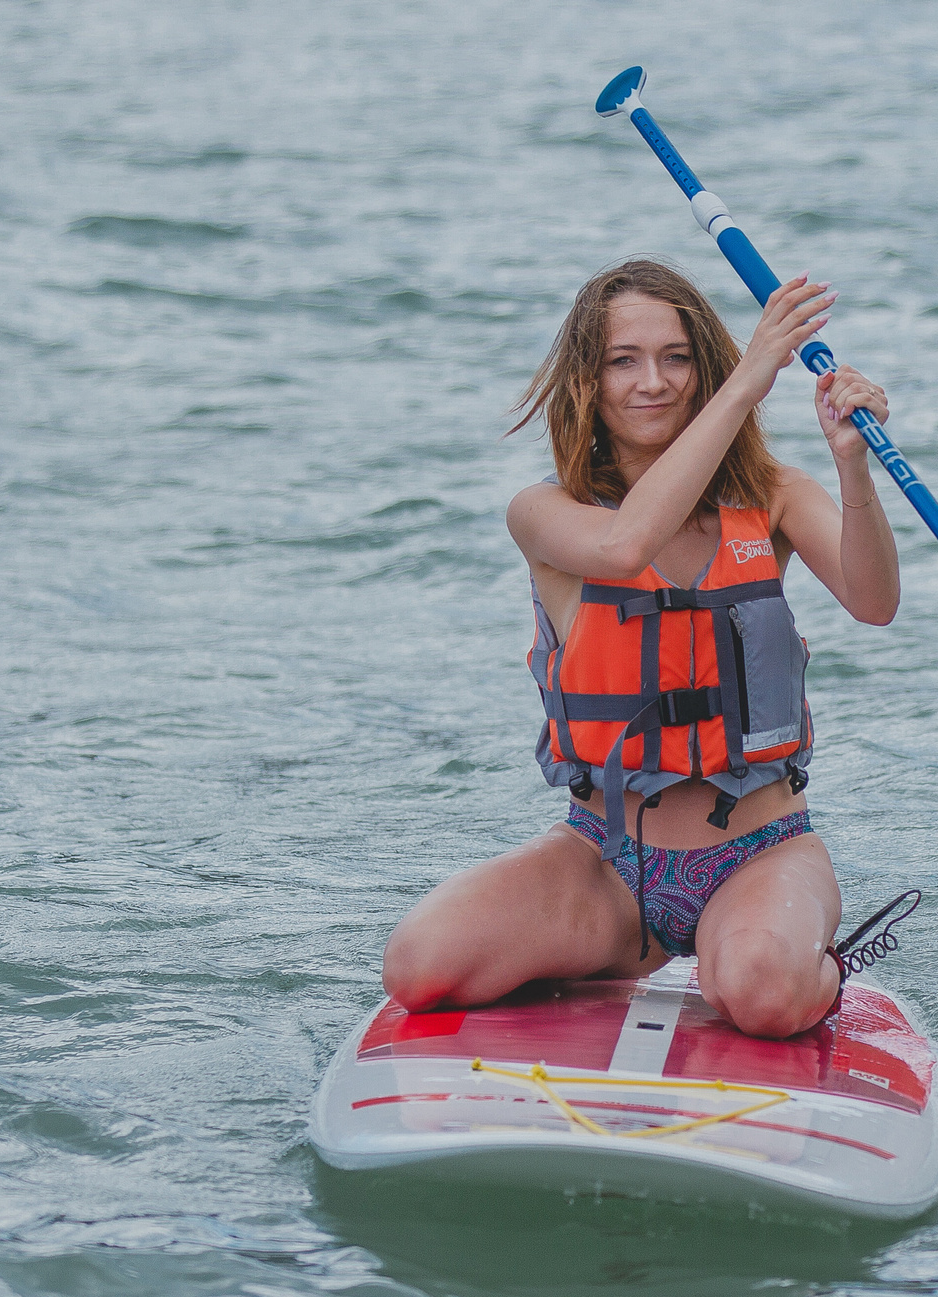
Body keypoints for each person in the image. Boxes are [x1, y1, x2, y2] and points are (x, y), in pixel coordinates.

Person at [381, 257, 899, 1037]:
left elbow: (875, 600)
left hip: (759, 850)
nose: (652, 381)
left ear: (703, 370)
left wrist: (852, 464)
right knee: (420, 965)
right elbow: (626, 546)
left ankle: (804, 962)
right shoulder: (544, 511)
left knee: (758, 990)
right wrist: (750, 380)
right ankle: (620, 948)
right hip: (606, 861)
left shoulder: (774, 495)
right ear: (588, 380)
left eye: (677, 357)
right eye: (624, 360)